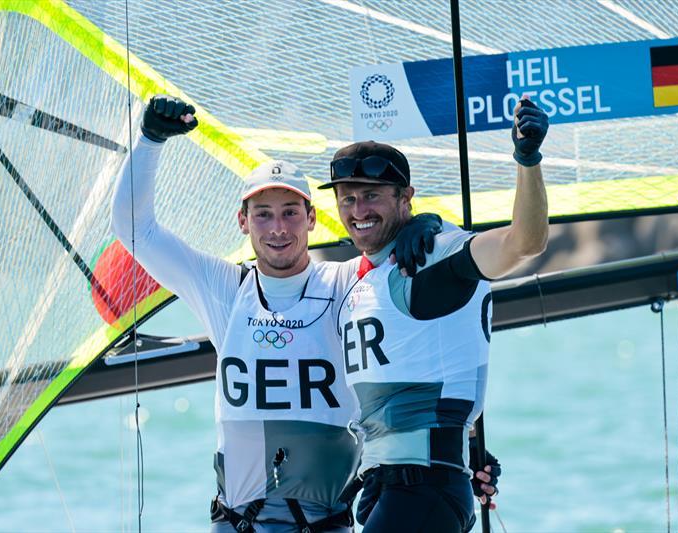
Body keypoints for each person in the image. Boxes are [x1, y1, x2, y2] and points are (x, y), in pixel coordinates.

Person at [109, 95, 498, 532]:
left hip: (326, 524)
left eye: (291, 213)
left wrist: (427, 222)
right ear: (243, 221)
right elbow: (135, 229)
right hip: (238, 524)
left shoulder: (351, 283)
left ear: (312, 218)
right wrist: (150, 140)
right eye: (264, 214)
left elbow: (428, 336)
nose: (278, 228)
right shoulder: (221, 289)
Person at [319, 98, 549, 532]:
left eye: (371, 196)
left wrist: (528, 159)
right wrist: (470, 448)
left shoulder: (433, 258)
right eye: (347, 199)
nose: (358, 210)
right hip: (382, 490)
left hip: (422, 489)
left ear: (406, 197)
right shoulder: (358, 275)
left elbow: (524, 242)